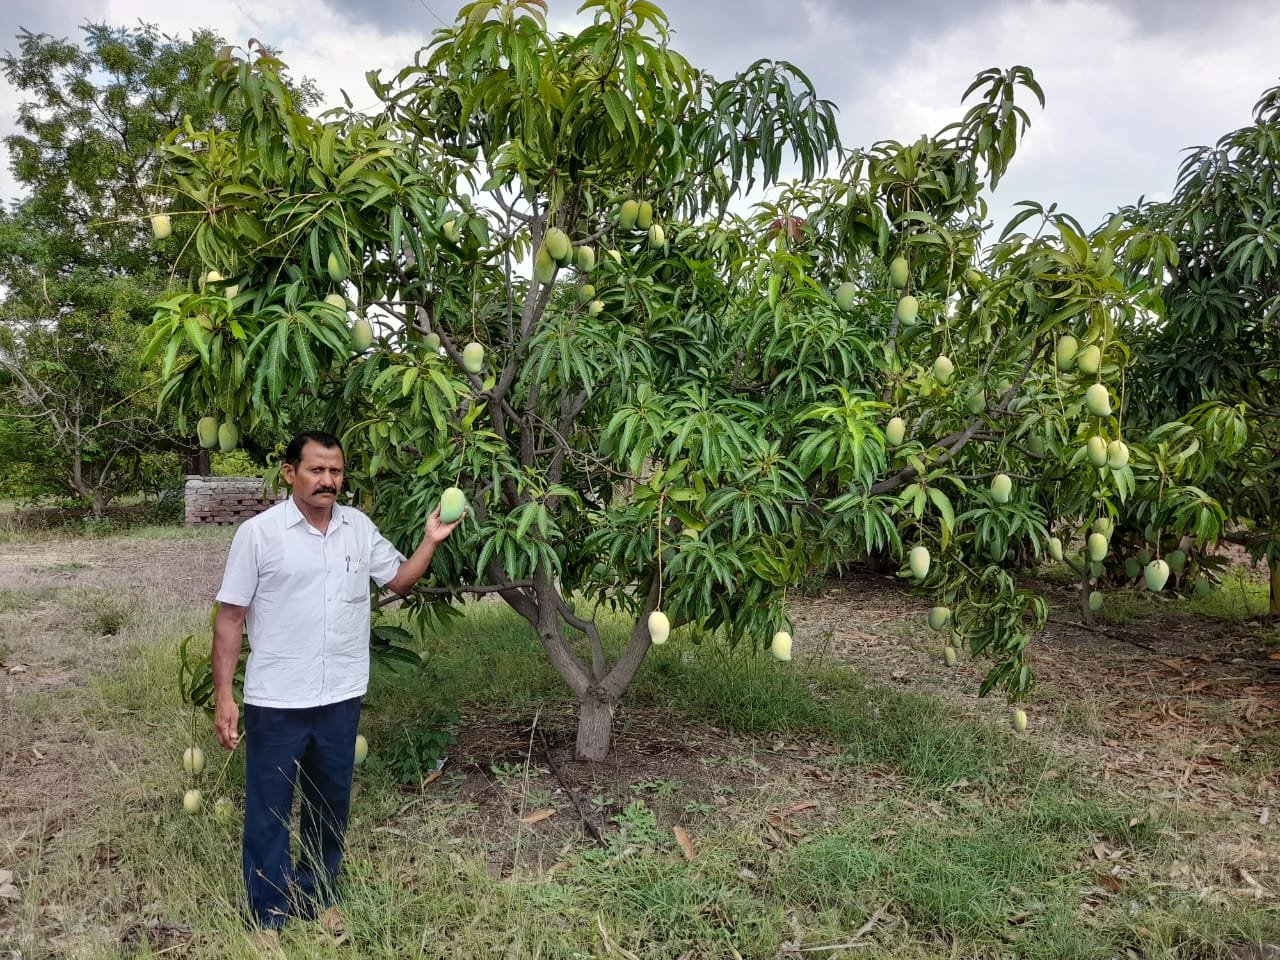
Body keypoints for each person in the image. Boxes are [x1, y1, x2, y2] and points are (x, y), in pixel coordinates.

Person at [211, 430, 461, 945]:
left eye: (337, 472)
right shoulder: (259, 535)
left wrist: (431, 541)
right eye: (317, 470)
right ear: (290, 473)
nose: (328, 481)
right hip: (277, 699)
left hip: (341, 695)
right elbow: (231, 616)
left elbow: (397, 580)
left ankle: (319, 895)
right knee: (269, 812)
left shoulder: (358, 529)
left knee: (329, 807)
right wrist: (224, 696)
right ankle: (267, 916)